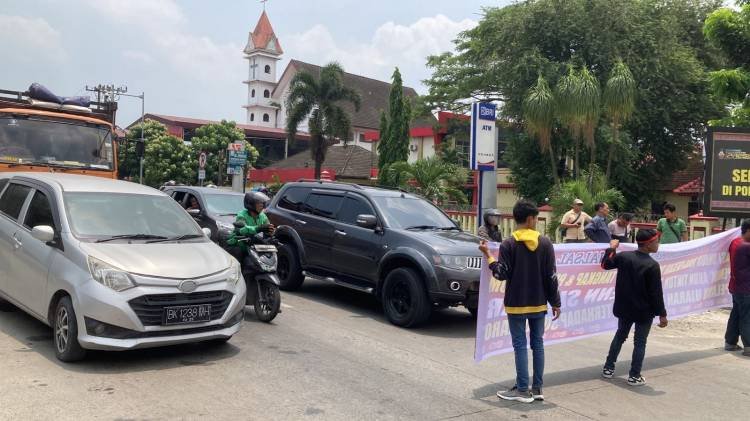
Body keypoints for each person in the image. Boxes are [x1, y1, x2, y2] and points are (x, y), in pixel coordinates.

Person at [478, 199, 561, 403]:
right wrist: (556, 302)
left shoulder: (509, 244)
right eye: (536, 219)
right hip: (539, 302)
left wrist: (489, 256)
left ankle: (522, 390)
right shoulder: (545, 243)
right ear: (531, 219)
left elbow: (501, 274)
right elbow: (551, 276)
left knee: (520, 345)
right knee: (538, 343)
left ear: (515, 218)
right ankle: (538, 388)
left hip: (515, 303)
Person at [600, 229, 669, 386]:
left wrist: (611, 248)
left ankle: (608, 368)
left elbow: (605, 264)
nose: (658, 244)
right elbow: (656, 294)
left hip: (624, 308)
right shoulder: (652, 265)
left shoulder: (624, 257)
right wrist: (662, 314)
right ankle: (634, 375)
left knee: (620, 336)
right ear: (648, 244)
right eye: (656, 241)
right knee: (640, 342)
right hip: (643, 312)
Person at [725, 219, 750, 356]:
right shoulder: (746, 246)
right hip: (746, 288)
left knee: (736, 314)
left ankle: (730, 343)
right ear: (748, 231)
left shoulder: (735, 242)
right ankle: (749, 347)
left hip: (735, 287)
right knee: (747, 317)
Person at [226, 191, 275, 257]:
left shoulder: (262, 216)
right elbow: (242, 229)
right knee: (238, 254)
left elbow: (268, 227)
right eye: (258, 203)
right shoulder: (242, 214)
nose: (262, 205)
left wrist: (271, 233)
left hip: (254, 245)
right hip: (240, 244)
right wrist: (259, 228)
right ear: (251, 204)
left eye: (262, 203)